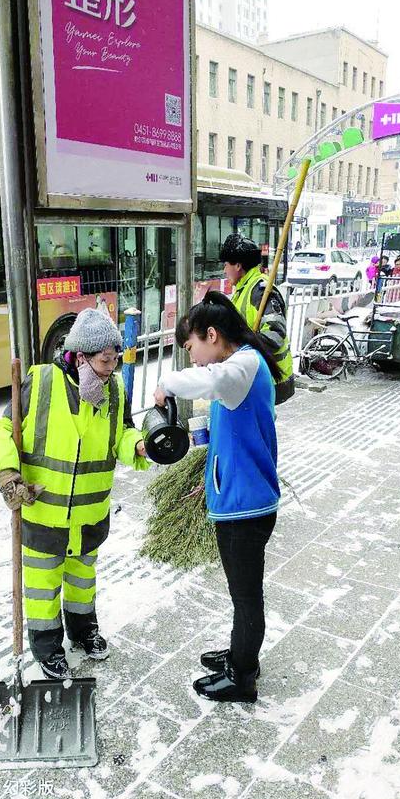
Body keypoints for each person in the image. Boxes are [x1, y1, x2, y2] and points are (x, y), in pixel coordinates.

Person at [0, 309, 149, 680]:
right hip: (43, 512)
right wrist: (7, 472)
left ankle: (83, 630)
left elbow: (120, 433)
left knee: (82, 579)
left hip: (90, 513)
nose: (111, 368)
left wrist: (136, 445)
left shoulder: (114, 390)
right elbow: (3, 429)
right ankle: (46, 646)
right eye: (105, 360)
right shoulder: (40, 383)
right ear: (81, 356)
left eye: (115, 359)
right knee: (42, 586)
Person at [154, 291, 280, 703]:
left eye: (191, 347)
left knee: (246, 598)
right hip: (239, 500)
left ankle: (242, 676)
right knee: (240, 594)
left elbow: (208, 383)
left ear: (211, 334)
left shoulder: (242, 365)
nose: (192, 357)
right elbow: (228, 422)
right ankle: (240, 653)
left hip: (247, 506)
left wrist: (165, 383)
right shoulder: (237, 369)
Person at [221, 234, 294, 404]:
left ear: (238, 265)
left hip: (270, 377)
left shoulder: (261, 292)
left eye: (226, 265)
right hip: (255, 376)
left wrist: (241, 342)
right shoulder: (243, 288)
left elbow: (276, 335)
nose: (224, 270)